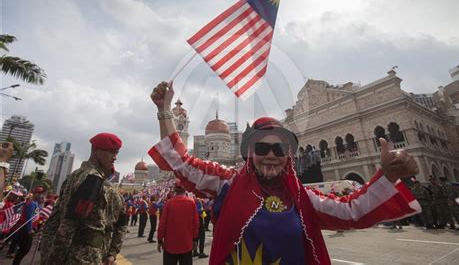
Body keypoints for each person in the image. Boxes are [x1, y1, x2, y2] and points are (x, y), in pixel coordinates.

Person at [148, 81, 421, 265]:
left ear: (287, 156)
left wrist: (387, 175)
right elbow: (179, 161)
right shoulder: (226, 182)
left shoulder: (302, 196)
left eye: (279, 149)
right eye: (263, 147)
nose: (271, 155)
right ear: (250, 152)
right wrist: (164, 111)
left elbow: (352, 211)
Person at [40, 133, 128, 265]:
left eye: (116, 152)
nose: (114, 157)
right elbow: (70, 223)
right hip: (82, 256)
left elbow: (55, 219)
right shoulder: (92, 179)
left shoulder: (74, 176)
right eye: (110, 152)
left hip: (87, 253)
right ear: (95, 150)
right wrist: (54, 259)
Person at [157, 181, 199, 265]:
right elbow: (195, 224)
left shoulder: (169, 203)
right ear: (185, 190)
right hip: (186, 243)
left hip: (170, 245)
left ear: (174, 190)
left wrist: (160, 240)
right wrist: (195, 240)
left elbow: (162, 224)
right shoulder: (191, 203)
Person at [12, 186, 45, 265]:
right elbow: (29, 218)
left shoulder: (36, 204)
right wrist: (30, 229)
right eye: (39, 193)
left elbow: (37, 214)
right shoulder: (31, 203)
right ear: (35, 194)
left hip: (29, 229)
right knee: (24, 249)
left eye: (42, 194)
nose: (41, 196)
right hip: (25, 229)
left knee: (25, 249)